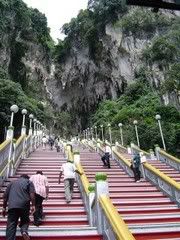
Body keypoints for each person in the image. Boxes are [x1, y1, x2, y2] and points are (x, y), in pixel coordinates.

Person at [2, 174, 35, 240]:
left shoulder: (12, 183)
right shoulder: (29, 182)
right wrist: (33, 205)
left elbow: (5, 197)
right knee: (25, 221)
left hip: (12, 206)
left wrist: (4, 208)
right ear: (27, 178)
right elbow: (32, 195)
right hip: (24, 205)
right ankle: (24, 231)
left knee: (11, 224)